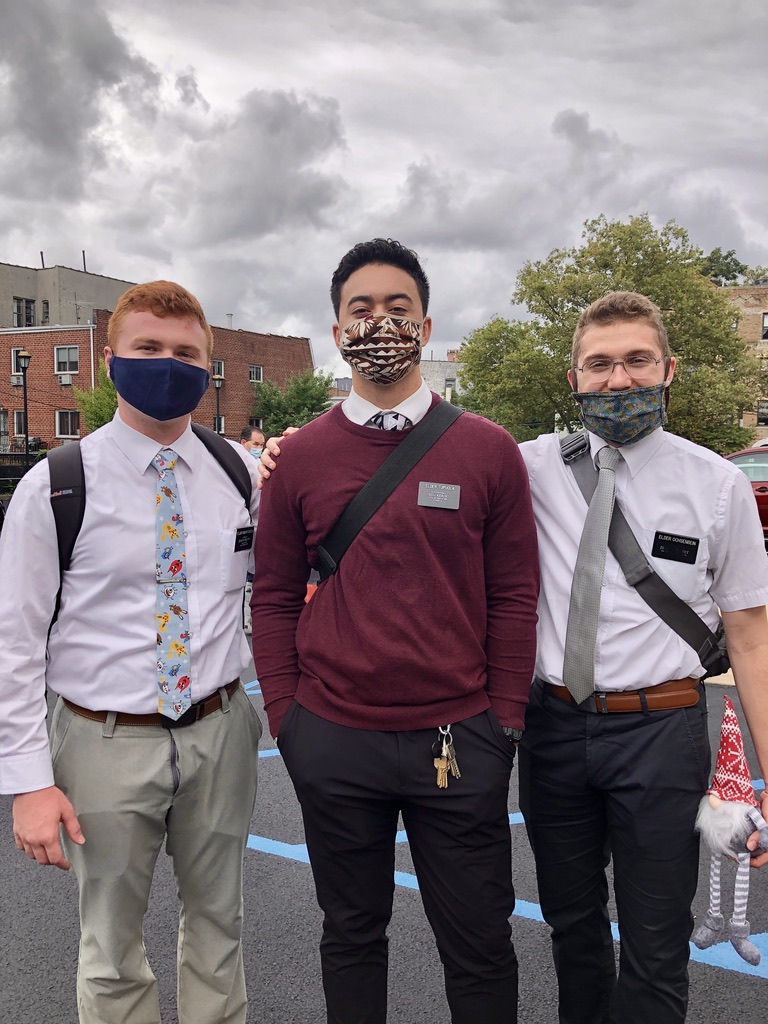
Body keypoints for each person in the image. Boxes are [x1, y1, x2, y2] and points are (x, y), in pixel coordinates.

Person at [251, 238, 539, 1024]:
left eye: (398, 308)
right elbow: (271, 598)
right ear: (337, 330)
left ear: (426, 325)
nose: (380, 323)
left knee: (480, 944)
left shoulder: (487, 449)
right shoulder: (299, 459)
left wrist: (504, 724)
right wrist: (287, 720)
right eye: (361, 309)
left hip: (459, 740)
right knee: (351, 936)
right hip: (332, 738)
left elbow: (515, 596)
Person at [0, 281, 263, 1024]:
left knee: (221, 928)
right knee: (112, 950)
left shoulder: (238, 473)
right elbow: (14, 642)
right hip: (103, 741)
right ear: (110, 359)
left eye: (186, 353)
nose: (168, 364)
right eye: (148, 347)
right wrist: (28, 782)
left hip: (220, 728)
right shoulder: (57, 485)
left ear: (207, 366)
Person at [516, 291, 768, 1024]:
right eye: (599, 364)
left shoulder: (716, 484)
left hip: (662, 732)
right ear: (573, 378)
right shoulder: (529, 466)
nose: (618, 379)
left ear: (668, 369)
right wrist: (286, 451)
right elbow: (424, 461)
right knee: (572, 929)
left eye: (637, 360)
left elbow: (752, 638)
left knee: (657, 945)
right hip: (553, 727)